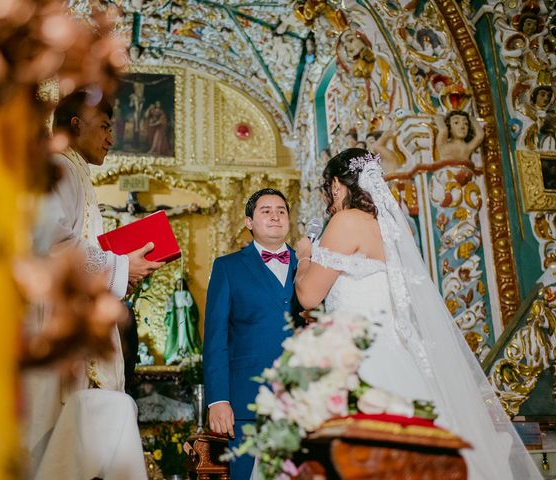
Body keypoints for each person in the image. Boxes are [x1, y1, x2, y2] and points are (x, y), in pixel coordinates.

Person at [294, 148, 542, 480]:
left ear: (338, 185)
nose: (329, 201)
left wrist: (304, 258)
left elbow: (309, 295)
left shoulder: (346, 220)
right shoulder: (389, 229)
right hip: (397, 356)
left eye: (329, 192)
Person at [25, 89, 165, 479]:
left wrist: (119, 272)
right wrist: (121, 268)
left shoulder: (73, 170)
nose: (111, 137)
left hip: (68, 312)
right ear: (75, 125)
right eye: (104, 126)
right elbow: (52, 241)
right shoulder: (61, 167)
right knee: (58, 435)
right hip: (56, 321)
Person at [203, 188, 302, 480]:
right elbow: (215, 338)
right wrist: (218, 400)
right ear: (249, 222)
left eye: (281, 211)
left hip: (305, 399)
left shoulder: (309, 264)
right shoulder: (227, 268)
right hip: (248, 401)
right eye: (266, 211)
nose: (275, 216)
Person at [163, 276, 202, 365]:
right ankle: (176, 350)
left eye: (181, 283)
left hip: (184, 316)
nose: (179, 285)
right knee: (177, 333)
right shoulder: (173, 295)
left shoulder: (186, 293)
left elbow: (191, 305)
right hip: (175, 316)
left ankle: (184, 349)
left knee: (183, 333)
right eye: (178, 283)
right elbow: (169, 308)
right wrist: (168, 303)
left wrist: (185, 300)